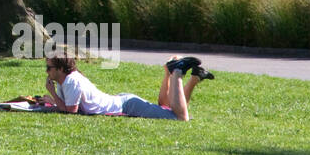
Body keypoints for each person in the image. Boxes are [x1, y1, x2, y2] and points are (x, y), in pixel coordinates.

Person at [42, 51, 214, 120]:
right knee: (166, 106)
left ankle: (177, 71)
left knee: (180, 117)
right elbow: (68, 106)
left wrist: (52, 95)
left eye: (49, 68)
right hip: (124, 101)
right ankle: (187, 77)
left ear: (60, 69)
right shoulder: (64, 81)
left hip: (128, 106)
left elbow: (71, 112)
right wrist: (53, 99)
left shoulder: (71, 81)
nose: (46, 71)